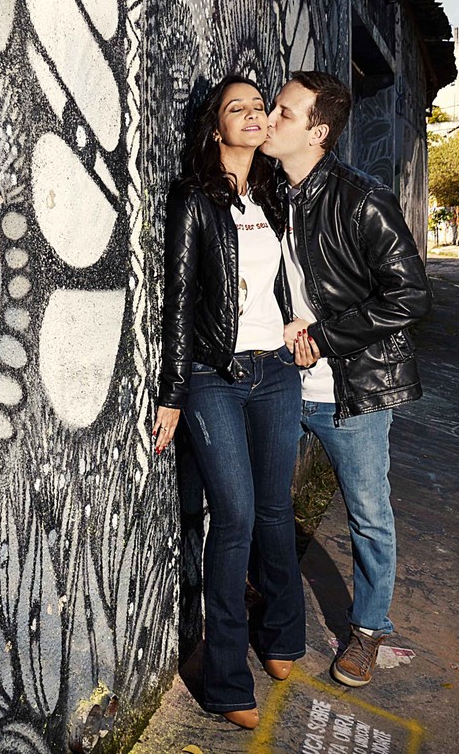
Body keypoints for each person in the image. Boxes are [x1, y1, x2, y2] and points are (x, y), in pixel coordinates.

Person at [153, 75, 315, 730]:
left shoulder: (274, 195)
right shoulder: (194, 199)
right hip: (212, 374)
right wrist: (172, 395)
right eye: (235, 108)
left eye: (258, 106)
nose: (251, 114)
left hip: (274, 370)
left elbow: (283, 279)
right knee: (238, 514)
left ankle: (279, 634)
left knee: (276, 509)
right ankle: (224, 679)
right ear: (216, 126)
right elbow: (180, 299)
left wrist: (297, 327)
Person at [261, 70, 432, 688]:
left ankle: (367, 629)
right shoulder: (270, 193)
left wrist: (324, 339)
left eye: (285, 112)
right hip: (279, 384)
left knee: (367, 513)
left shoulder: (363, 198)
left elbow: (410, 296)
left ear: (319, 131)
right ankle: (274, 602)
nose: (271, 119)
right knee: (260, 505)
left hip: (351, 390)